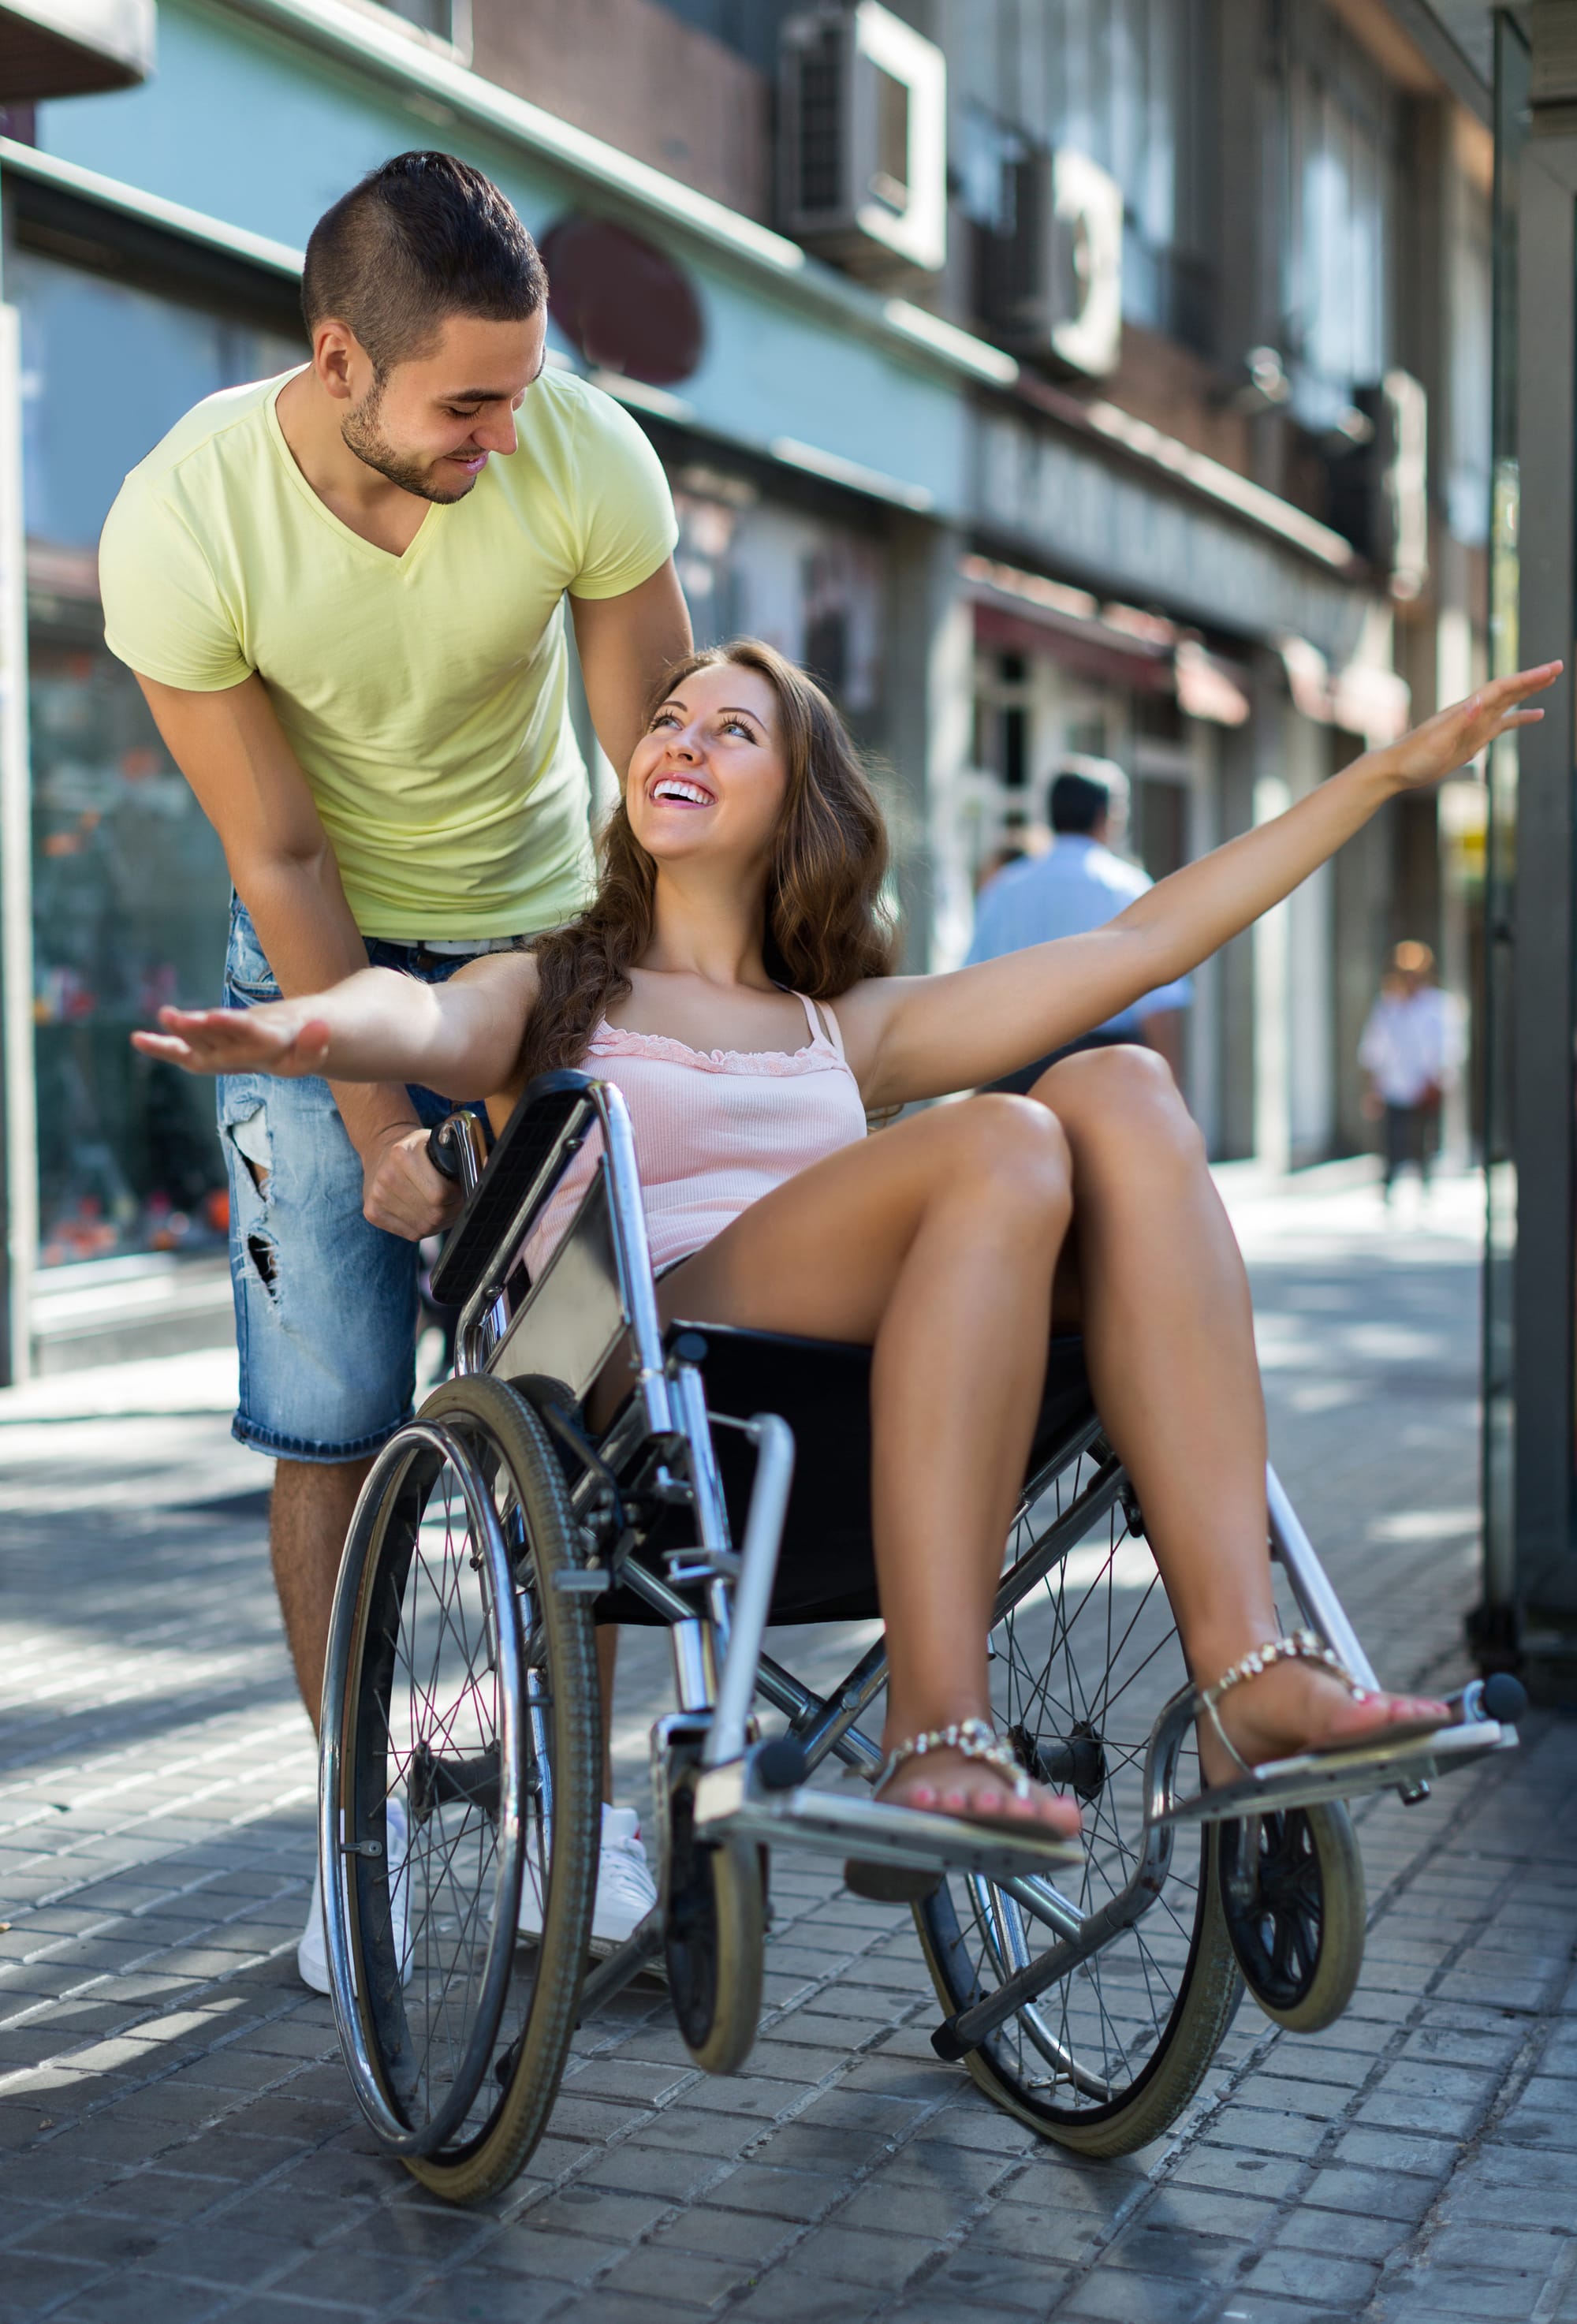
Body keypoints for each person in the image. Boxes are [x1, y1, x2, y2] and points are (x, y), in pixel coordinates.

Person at [133, 640, 1559, 1890]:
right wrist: (315, 1030)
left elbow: (1142, 938)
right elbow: (426, 1023)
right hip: (655, 1375)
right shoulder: (558, 984)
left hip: (893, 1395)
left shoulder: (848, 1028)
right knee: (1005, 1140)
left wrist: (1383, 776)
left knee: (1122, 1087)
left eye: (729, 729)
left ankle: (1249, 1670)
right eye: (668, 720)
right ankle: (936, 1728)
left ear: (795, 803)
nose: (679, 739)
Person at [98, 151, 693, 1982]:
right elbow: (279, 863)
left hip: (535, 962)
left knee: (576, 1390)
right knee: (330, 1413)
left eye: (523, 392)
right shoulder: (184, 519)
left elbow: (665, 787)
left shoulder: (579, 452)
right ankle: (359, 1830)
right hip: (302, 975)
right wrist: (369, 1122)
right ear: (339, 360)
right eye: (466, 402)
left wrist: (693, 1013)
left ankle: (563, 1819)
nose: (507, 436)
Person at [967, 760, 1191, 1091]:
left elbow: (972, 986)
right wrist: (1170, 1086)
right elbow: (1158, 1003)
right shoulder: (1126, 887)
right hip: (1101, 1075)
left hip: (1013, 1068)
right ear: (1106, 816)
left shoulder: (1006, 886)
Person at [1359, 941, 1463, 1198]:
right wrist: (1373, 1088)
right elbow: (1374, 1048)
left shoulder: (1439, 1005)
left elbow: (1449, 1046)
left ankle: (1426, 1187)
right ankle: (1389, 1189)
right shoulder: (1389, 1005)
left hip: (1425, 1086)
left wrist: (1439, 1079)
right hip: (1395, 1086)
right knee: (1393, 1142)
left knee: (1424, 1142)